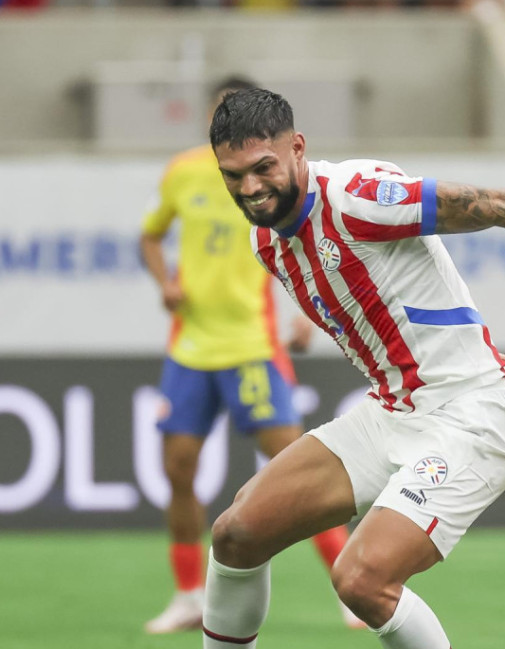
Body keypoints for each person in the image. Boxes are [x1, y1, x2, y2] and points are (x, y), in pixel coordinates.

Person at [200, 87, 505, 649]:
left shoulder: (357, 197)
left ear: (297, 148)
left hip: (469, 415)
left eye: (262, 167)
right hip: (392, 412)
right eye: (233, 176)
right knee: (236, 534)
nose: (250, 188)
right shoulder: (265, 238)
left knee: (362, 579)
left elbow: (491, 203)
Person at [139, 77, 358, 634]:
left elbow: (299, 244)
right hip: (190, 349)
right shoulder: (184, 172)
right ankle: (188, 594)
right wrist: (164, 280)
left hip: (252, 349)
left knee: (298, 474)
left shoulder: (270, 179)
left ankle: (349, 583)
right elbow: (149, 235)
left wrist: (303, 317)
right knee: (178, 471)